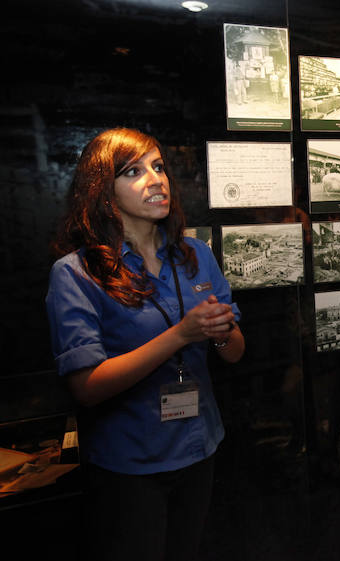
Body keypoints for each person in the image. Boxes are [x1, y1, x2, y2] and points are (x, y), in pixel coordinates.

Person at [45, 128, 245, 561]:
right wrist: (180, 334)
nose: (155, 179)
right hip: (130, 464)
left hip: (199, 446)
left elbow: (235, 352)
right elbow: (86, 386)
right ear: (103, 191)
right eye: (133, 171)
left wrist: (221, 330)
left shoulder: (195, 254)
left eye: (158, 167)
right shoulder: (76, 273)